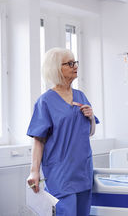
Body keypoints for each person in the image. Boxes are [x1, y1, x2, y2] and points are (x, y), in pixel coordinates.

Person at [26, 48, 99, 216]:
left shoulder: (80, 96)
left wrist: (91, 118)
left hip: (82, 169)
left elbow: (89, 132)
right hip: (61, 173)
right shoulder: (45, 101)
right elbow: (39, 139)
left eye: (75, 63)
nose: (75, 66)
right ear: (56, 68)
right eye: (70, 63)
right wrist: (34, 170)